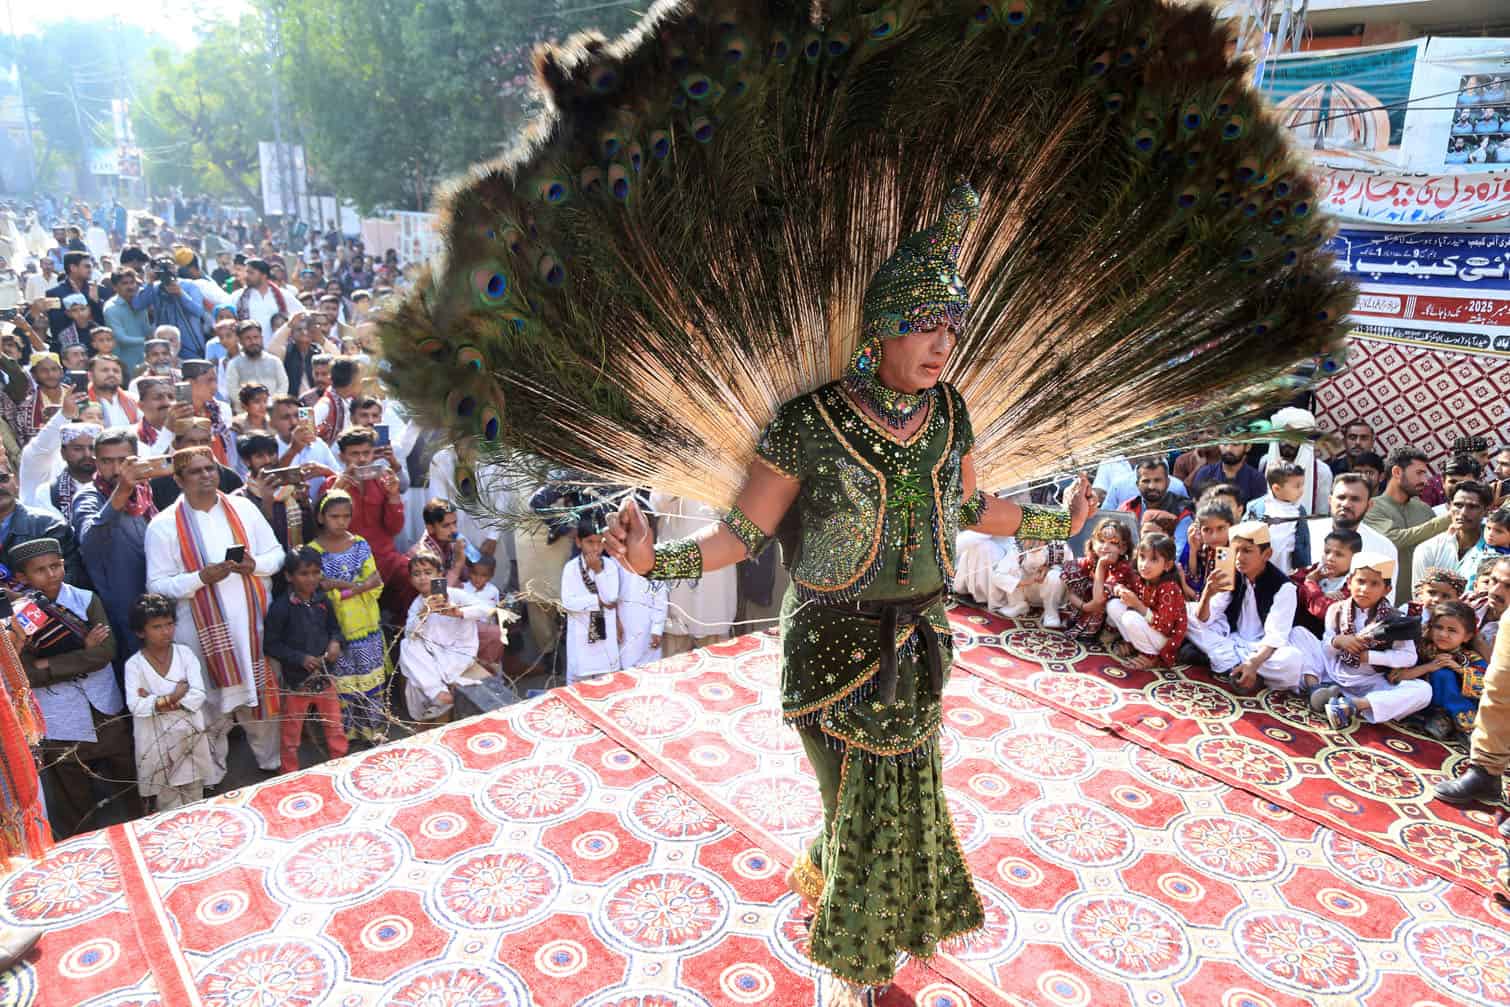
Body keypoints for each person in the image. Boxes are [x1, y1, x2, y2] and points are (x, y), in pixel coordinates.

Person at [605, 185, 1093, 987]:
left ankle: (836, 897)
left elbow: (972, 505)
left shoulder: (950, 413)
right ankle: (852, 967)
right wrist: (658, 562)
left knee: (898, 808)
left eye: (952, 328)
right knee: (854, 811)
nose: (943, 345)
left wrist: (1056, 524)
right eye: (925, 326)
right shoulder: (809, 424)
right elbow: (743, 533)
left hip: (924, 644)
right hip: (831, 647)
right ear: (881, 330)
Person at [145, 446, 285, 778]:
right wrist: (199, 579)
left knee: (261, 701)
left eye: (210, 468)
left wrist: (255, 565)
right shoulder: (163, 526)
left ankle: (272, 764)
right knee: (210, 707)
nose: (206, 475)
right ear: (179, 480)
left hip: (252, 627)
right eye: (195, 471)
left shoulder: (244, 509)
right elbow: (157, 584)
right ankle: (214, 776)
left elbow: (277, 554)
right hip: (200, 634)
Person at [11, 537, 137, 838]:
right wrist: (83, 648)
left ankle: (139, 827)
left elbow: (105, 653)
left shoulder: (85, 599)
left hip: (102, 705)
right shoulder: (19, 616)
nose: (51, 574)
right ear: (22, 578)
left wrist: (49, 664)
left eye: (56, 566)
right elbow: (24, 672)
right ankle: (82, 845)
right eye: (40, 570)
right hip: (58, 716)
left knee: (126, 775)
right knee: (73, 791)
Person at [1184, 520, 1313, 691]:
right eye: (1235, 550)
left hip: (1261, 650)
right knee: (1185, 612)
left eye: (1247, 551)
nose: (1238, 558)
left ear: (1266, 554)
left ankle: (1228, 664)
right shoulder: (1232, 574)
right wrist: (1207, 594)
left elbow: (1275, 638)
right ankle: (1243, 670)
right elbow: (1204, 619)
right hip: (1231, 639)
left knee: (1291, 660)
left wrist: (1253, 663)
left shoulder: (1284, 587)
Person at [1308, 553, 1429, 731]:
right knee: (1299, 634)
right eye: (1361, 581)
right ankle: (1316, 689)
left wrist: (1370, 656)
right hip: (1332, 671)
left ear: (1387, 589)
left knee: (1424, 691)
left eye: (1374, 584)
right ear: (1349, 582)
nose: (1365, 589)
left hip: (1370, 681)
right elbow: (1325, 650)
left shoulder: (1396, 619)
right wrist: (1337, 641)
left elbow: (1409, 658)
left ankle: (1352, 705)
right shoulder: (1336, 609)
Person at [72, 428, 157, 669]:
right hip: (123, 614)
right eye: (107, 461)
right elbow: (90, 541)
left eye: (123, 460)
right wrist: (123, 491)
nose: (117, 469)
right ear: (96, 462)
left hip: (157, 603)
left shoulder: (145, 492)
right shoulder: (88, 497)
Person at [310, 490, 390, 743]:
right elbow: (318, 589)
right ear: (321, 517)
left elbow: (376, 582)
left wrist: (341, 587)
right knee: (344, 682)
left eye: (346, 516)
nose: (341, 521)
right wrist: (358, 587)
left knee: (370, 678)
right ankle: (346, 733)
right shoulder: (314, 551)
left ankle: (371, 730)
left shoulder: (359, 544)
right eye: (334, 516)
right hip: (338, 628)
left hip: (366, 624)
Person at [124, 593, 213, 811]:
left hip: (188, 734)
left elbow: (198, 693)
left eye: (169, 624)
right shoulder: (134, 665)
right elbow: (135, 705)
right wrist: (173, 697)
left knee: (195, 792)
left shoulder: (185, 654)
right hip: (156, 741)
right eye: (157, 627)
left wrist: (156, 702)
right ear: (140, 632)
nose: (166, 631)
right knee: (167, 799)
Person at [263, 547, 349, 772]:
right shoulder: (281, 609)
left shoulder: (322, 601)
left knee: (334, 727)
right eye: (304, 573)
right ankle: (289, 775)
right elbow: (271, 645)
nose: (311, 578)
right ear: (289, 576)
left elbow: (335, 629)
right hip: (296, 684)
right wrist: (299, 658)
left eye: (315, 572)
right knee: (291, 734)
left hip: (324, 677)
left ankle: (340, 765)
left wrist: (335, 643)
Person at [400, 552, 494, 723]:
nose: (422, 578)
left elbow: (487, 609)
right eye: (416, 574)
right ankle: (438, 693)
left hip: (459, 655)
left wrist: (459, 612)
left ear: (439, 575)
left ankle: (436, 695)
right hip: (433, 657)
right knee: (407, 644)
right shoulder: (418, 604)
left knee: (416, 680)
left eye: (428, 573)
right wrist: (423, 614)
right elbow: (410, 633)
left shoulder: (456, 595)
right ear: (411, 580)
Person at [322, 428, 407, 609]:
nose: (361, 459)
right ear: (342, 457)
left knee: (413, 574)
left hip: (386, 559)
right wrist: (337, 491)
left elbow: (395, 528)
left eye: (366, 453)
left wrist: (393, 496)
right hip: (349, 563)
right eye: (355, 454)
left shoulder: (384, 480)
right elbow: (324, 530)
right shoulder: (332, 484)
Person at [649, 492, 738, 654]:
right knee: (676, 666)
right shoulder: (671, 467)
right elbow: (655, 505)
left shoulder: (726, 468)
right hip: (678, 584)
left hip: (716, 586)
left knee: (716, 664)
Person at [1364, 447, 1451, 602]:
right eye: (1419, 473)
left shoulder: (1424, 509)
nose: (1424, 480)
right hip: (1384, 603)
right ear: (1397, 472)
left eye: (1425, 474)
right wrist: (1447, 519)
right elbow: (1394, 539)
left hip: (1422, 604)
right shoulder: (1372, 507)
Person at [1405, 601, 1487, 742]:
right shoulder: (1419, 649)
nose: (1443, 634)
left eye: (1452, 630)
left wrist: (1459, 670)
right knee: (1442, 674)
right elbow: (1398, 674)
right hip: (1422, 703)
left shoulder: (1470, 657)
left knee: (1446, 674)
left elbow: (1486, 683)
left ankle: (1464, 726)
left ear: (1467, 636)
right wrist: (1430, 666)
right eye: (1438, 627)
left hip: (1459, 712)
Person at [1105, 531, 1187, 668]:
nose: (1144, 564)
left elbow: (1164, 627)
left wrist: (1137, 605)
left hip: (1165, 640)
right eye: (1142, 557)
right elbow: (1115, 582)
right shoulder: (1140, 577)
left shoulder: (1169, 587)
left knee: (1130, 617)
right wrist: (1119, 588)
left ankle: (1151, 655)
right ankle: (1133, 644)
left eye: (1153, 559)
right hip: (1149, 629)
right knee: (1114, 605)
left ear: (1167, 565)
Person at [233, 430, 316, 558]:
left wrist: (305, 504)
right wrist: (267, 501)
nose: (267, 460)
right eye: (260, 456)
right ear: (246, 461)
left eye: (271, 454)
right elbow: (256, 540)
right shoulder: (240, 498)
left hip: (299, 568)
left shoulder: (291, 489)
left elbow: (311, 534)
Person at [562, 520, 621, 682]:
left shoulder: (610, 567)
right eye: (590, 542)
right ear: (578, 542)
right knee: (579, 689)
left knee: (608, 684)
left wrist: (598, 571)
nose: (595, 548)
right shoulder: (571, 568)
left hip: (605, 642)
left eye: (599, 542)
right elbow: (568, 602)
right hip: (581, 643)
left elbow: (611, 598)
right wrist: (598, 601)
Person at [149, 418, 243, 512]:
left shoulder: (229, 477)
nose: (199, 446)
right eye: (191, 441)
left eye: (204, 441)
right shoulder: (158, 484)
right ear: (176, 444)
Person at [1306, 473, 1398, 569]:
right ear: (1330, 500)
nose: (1346, 504)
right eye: (1341, 497)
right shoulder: (1305, 533)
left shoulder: (1383, 549)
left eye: (1355, 499)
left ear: (1369, 505)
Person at [1413, 482, 1491, 592]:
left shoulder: (1498, 551)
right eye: (1458, 505)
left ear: (1486, 511)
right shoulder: (1428, 549)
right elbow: (1420, 597)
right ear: (1449, 506)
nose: (1463, 512)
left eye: (1472, 506)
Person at [1063, 517, 1134, 637]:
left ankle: (1111, 634)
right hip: (1087, 608)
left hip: (1112, 615)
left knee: (1114, 603)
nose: (1105, 547)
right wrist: (1084, 606)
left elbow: (1098, 600)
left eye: (1113, 543)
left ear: (1123, 549)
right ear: (1093, 541)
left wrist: (1101, 566)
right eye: (1101, 540)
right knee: (1066, 573)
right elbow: (1070, 591)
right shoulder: (1090, 561)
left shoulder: (1123, 569)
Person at [1243, 460, 1310, 575]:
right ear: (1276, 488)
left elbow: (1304, 542)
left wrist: (1303, 569)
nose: (1301, 490)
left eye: (1302, 485)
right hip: (1259, 566)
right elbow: (1244, 535)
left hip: (1287, 569)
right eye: (1297, 486)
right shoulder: (1258, 507)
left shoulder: (1299, 511)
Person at [1291, 529, 1361, 636]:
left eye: (1339, 554)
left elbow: (1323, 611)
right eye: (1327, 552)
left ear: (1355, 558)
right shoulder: (1316, 569)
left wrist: (1310, 583)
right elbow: (1287, 587)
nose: (1330, 558)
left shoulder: (1352, 585)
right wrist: (1321, 594)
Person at [1118, 458, 1193, 544]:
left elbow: (1178, 553)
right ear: (1137, 484)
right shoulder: (1127, 507)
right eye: (1146, 481)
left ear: (1168, 482)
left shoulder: (1182, 511)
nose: (1151, 486)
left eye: (1157, 480)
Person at [617, 555, 668, 669]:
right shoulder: (614, 561)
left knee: (648, 668)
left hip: (647, 625)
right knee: (623, 668)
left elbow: (661, 598)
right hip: (622, 621)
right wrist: (615, 621)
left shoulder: (653, 560)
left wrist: (657, 628)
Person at [233, 258, 303, 335]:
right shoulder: (238, 296)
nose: (247, 276)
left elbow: (302, 314)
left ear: (264, 275)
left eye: (251, 273)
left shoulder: (283, 295)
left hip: (278, 345)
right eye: (246, 272)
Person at [224, 320, 287, 403]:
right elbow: (232, 391)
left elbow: (283, 386)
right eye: (248, 338)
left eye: (256, 337)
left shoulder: (274, 361)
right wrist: (252, 404)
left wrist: (269, 403)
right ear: (240, 341)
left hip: (273, 411)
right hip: (245, 412)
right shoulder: (234, 364)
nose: (253, 342)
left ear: (261, 338)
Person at [1190, 441, 1267, 506]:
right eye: (1225, 443)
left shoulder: (1257, 479)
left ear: (1248, 447)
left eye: (1235, 444)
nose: (1229, 449)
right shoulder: (1205, 473)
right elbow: (1196, 505)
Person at [1459, 505, 1510, 591]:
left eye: (1499, 531)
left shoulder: (1506, 561)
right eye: (1488, 528)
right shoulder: (1481, 542)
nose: (1490, 534)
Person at [85, 354, 138, 428]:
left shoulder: (134, 400)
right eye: (105, 370)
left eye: (116, 371)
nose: (111, 374)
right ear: (90, 376)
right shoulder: (81, 403)